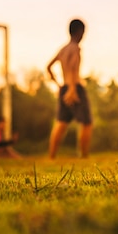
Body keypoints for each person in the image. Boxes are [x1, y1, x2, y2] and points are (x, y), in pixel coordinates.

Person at [47, 18, 92, 159]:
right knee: (87, 123)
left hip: (64, 88)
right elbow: (73, 68)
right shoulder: (76, 48)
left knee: (61, 122)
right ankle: (83, 155)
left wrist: (59, 85)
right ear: (80, 32)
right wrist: (72, 89)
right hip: (75, 87)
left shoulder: (63, 49)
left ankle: (52, 156)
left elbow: (48, 67)